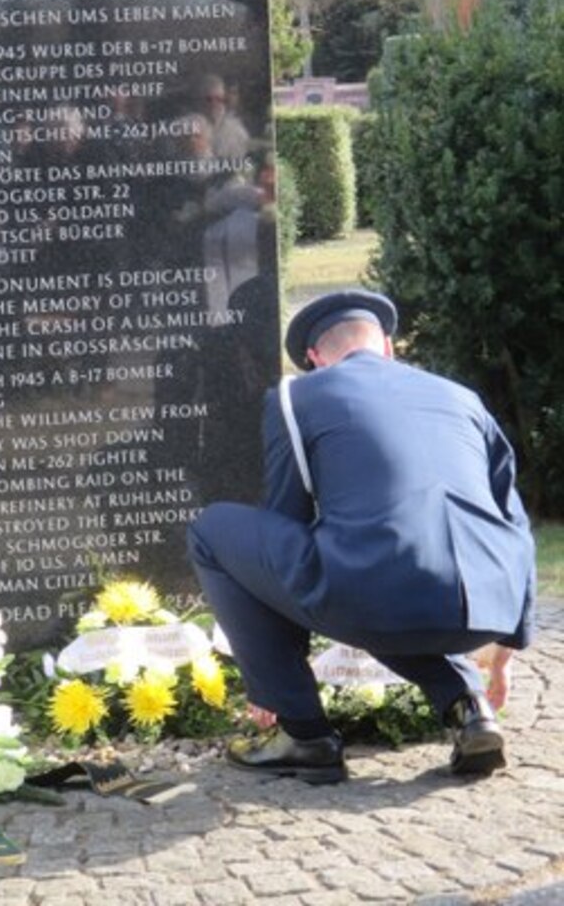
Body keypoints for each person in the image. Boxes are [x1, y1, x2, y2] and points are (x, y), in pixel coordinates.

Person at [187, 289, 536, 783]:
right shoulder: (462, 397)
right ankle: (470, 707)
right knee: (379, 572)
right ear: (388, 346)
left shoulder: (296, 396)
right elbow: (512, 519)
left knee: (212, 531)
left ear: (314, 358)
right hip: (487, 607)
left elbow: (286, 519)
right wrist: (508, 649)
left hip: (377, 598)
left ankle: (304, 735)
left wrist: (272, 678)